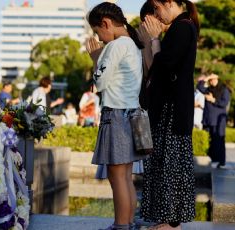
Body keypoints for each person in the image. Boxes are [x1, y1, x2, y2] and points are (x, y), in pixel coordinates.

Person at [86, 2, 147, 230]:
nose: (99, 38)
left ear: (106, 23)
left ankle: (121, 225)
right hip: (130, 115)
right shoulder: (131, 44)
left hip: (116, 115)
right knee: (126, 175)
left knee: (116, 175)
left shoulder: (115, 46)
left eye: (97, 32)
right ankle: (127, 223)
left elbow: (100, 82)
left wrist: (95, 58)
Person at [140, 0, 200, 229]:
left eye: (156, 8)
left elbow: (164, 67)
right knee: (167, 163)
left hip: (173, 108)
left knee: (172, 164)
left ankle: (172, 223)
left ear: (168, 3)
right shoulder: (182, 26)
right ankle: (167, 219)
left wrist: (154, 40)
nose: (156, 14)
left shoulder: (182, 27)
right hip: (172, 107)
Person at [197, 73, 230, 168]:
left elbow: (224, 103)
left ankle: (221, 161)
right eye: (210, 80)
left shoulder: (224, 90)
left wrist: (213, 100)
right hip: (208, 119)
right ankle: (211, 159)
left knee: (219, 141)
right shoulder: (208, 89)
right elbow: (199, 86)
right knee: (209, 141)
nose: (212, 81)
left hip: (218, 121)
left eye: (214, 79)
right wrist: (207, 78)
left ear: (218, 79)